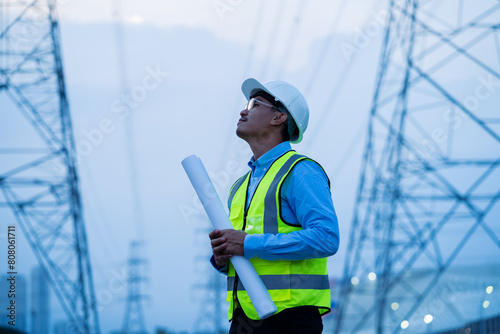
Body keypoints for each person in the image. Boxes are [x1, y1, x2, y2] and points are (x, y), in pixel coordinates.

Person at [209, 78, 340, 334]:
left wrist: (248, 244)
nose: (243, 110)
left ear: (279, 118)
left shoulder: (300, 172)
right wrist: (222, 258)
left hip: (290, 320)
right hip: (244, 320)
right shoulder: (239, 187)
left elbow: (326, 238)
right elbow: (244, 253)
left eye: (254, 104)